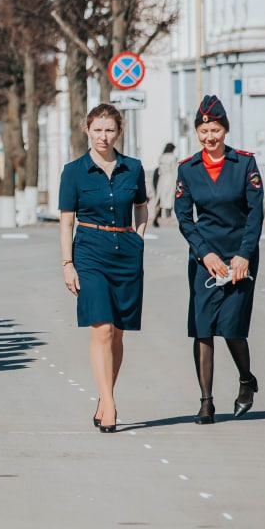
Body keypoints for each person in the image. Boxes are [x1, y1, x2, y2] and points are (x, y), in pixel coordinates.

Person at [57, 103, 149, 433]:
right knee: (102, 329)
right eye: (97, 129)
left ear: (119, 132)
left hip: (126, 254)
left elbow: (140, 206)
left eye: (109, 130)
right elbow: (67, 221)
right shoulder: (73, 171)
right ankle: (109, 404)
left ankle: (103, 394)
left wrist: (138, 238)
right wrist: (68, 264)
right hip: (90, 253)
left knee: (119, 332)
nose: (103, 136)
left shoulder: (133, 168)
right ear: (87, 130)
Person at [174, 95, 264, 424]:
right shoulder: (188, 169)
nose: (210, 136)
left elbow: (255, 214)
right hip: (205, 258)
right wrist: (204, 253)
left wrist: (244, 256)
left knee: (231, 327)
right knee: (203, 328)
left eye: (215, 129)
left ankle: (245, 381)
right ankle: (206, 402)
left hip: (239, 255)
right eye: (203, 130)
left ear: (225, 129)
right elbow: (184, 218)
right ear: (197, 132)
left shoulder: (244, 164)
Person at [152, 142, 178, 227]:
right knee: (169, 198)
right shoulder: (173, 158)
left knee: (160, 198)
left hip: (162, 178)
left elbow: (159, 170)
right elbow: (174, 170)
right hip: (170, 178)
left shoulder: (161, 157)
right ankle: (168, 216)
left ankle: (157, 216)